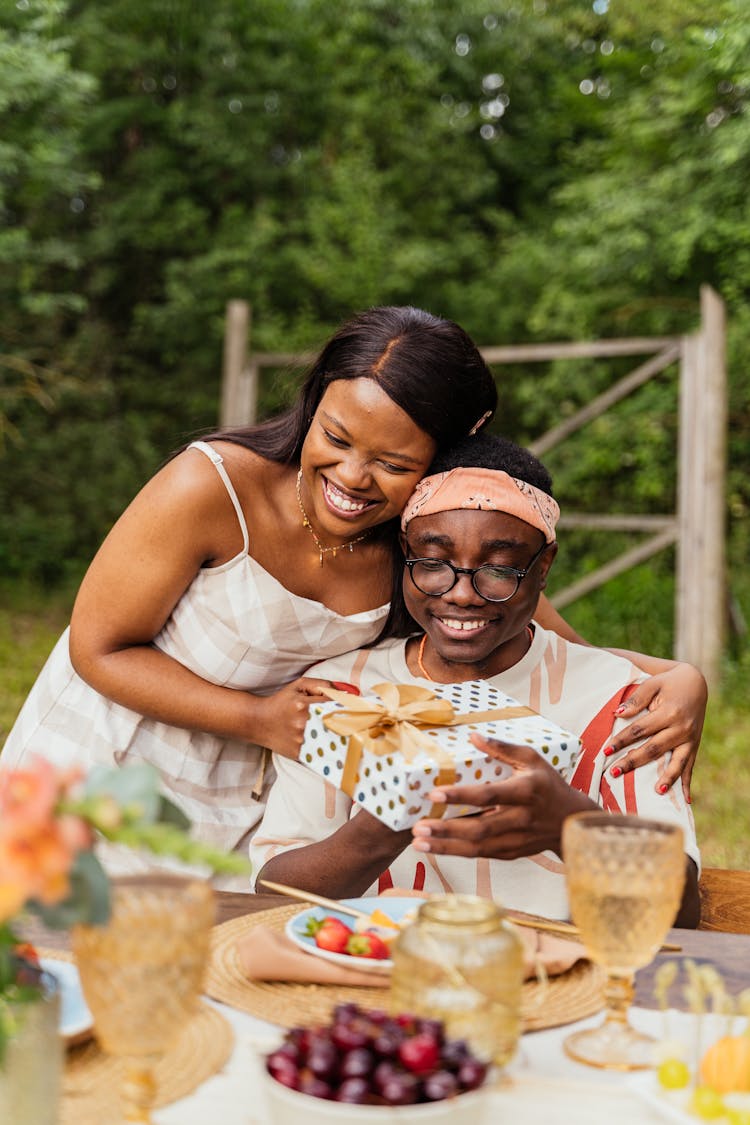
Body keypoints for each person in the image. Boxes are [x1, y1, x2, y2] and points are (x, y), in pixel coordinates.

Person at [2, 305, 703, 876]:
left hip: (249, 801)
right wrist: (260, 720)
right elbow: (99, 648)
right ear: (312, 401)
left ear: (441, 459)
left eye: (394, 462)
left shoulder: (413, 547)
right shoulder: (211, 488)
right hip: (104, 768)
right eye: (334, 436)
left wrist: (681, 679)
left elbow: (554, 643)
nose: (353, 476)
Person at [251, 433, 700, 926]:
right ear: (405, 553)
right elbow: (271, 896)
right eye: (433, 563)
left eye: (500, 570)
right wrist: (388, 819)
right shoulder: (341, 693)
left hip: (556, 984)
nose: (462, 594)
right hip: (372, 979)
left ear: (543, 567)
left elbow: (681, 912)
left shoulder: (621, 703)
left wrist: (570, 827)